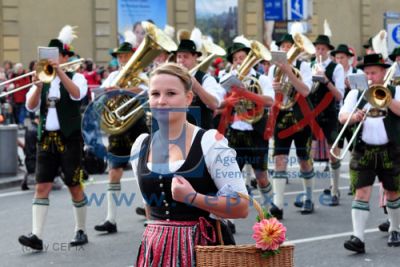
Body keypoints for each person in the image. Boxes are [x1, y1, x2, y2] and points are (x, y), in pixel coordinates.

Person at [131, 63, 249, 266]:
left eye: (170, 93)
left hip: (202, 250)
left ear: (188, 98)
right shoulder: (141, 145)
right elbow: (149, 208)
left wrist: (193, 198)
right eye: (155, 94)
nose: (161, 101)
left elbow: (241, 207)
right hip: (155, 249)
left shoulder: (211, 142)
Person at [18, 26, 89, 251]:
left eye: (56, 55)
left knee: (74, 185)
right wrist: (38, 87)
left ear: (65, 57)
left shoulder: (77, 76)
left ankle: (80, 230)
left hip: (70, 139)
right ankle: (36, 235)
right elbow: (30, 106)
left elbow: (77, 94)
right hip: (46, 139)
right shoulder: (42, 78)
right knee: (42, 186)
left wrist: (60, 73)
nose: (52, 60)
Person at [341, 53, 400, 253]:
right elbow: (342, 117)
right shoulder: (356, 93)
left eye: (373, 73)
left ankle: (395, 228)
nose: (369, 77)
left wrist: (385, 95)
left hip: (390, 149)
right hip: (363, 149)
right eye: (366, 73)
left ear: (383, 73)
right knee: (362, 191)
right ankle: (358, 237)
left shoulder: (395, 90)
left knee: (393, 192)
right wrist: (354, 116)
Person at [94, 39, 149, 233]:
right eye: (119, 56)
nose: (121, 59)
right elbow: (101, 95)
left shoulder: (140, 74)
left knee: (142, 169)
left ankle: (150, 214)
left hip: (136, 123)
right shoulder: (113, 76)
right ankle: (110, 219)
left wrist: (122, 90)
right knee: (113, 172)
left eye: (124, 56)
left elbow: (146, 91)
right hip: (118, 126)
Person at [219, 39, 274, 211]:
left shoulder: (261, 79)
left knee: (261, 176)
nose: (239, 61)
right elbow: (218, 104)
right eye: (236, 59)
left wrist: (246, 93)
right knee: (231, 177)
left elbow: (269, 101)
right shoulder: (225, 79)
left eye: (243, 57)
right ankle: (230, 218)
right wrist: (229, 99)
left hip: (256, 132)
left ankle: (268, 209)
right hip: (235, 133)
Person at [267, 33, 315, 218]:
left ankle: (308, 198)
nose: (287, 49)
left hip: (302, 116)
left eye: (290, 46)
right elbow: (271, 96)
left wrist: (288, 72)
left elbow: (305, 90)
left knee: (304, 160)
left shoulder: (304, 66)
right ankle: (278, 205)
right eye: (284, 46)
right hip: (282, 115)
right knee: (280, 159)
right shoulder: (273, 69)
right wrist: (275, 90)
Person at [309, 34, 345, 206]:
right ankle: (308, 195)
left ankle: (335, 190)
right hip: (312, 114)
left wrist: (326, 80)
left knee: (333, 154)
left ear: (329, 50)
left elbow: (339, 95)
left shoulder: (336, 68)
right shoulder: (309, 65)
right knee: (307, 154)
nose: (320, 51)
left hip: (330, 114)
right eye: (317, 48)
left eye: (323, 48)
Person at [175, 38, 224, 129]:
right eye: (179, 56)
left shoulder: (206, 79)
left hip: (201, 132)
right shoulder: (173, 78)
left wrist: (196, 86)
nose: (181, 60)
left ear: (195, 57)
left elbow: (214, 104)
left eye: (185, 57)